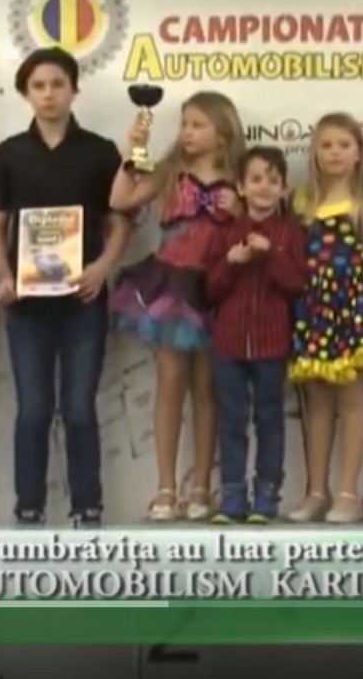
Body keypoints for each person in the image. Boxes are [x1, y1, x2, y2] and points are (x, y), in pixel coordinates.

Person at [0, 47, 133, 528]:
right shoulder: (8, 154)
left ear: (74, 89)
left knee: (78, 409)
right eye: (38, 86)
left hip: (83, 303)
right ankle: (28, 510)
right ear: (26, 93)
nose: (48, 94)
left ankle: (87, 509)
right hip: (26, 307)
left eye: (57, 84)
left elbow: (120, 222)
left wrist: (103, 267)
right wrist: (3, 277)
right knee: (33, 410)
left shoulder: (101, 151)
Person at [110, 91, 244, 521]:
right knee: (171, 383)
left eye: (198, 125)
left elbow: (259, 224)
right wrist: (133, 154)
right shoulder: (170, 172)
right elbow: (121, 200)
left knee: (207, 388)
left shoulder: (239, 178)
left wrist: (240, 209)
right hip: (172, 286)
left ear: (222, 133)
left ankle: (201, 484)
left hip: (217, 287)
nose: (187, 132)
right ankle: (166, 486)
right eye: (185, 123)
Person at [287, 113, 363, 523]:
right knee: (317, 400)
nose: (334, 153)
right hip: (314, 311)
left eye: (344, 145)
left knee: (353, 398)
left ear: (359, 153)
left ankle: (349, 492)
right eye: (327, 145)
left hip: (355, 310)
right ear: (315, 152)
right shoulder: (302, 202)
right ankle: (317, 490)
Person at [202, 146, 307, 524]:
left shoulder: (291, 233)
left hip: (271, 343)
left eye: (273, 180)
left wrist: (272, 255)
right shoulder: (226, 234)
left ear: (284, 189)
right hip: (228, 344)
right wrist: (232, 262)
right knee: (232, 418)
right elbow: (210, 291)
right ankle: (232, 494)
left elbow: (297, 285)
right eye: (256, 179)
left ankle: (267, 495)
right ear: (241, 188)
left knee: (269, 418)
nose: (264, 187)